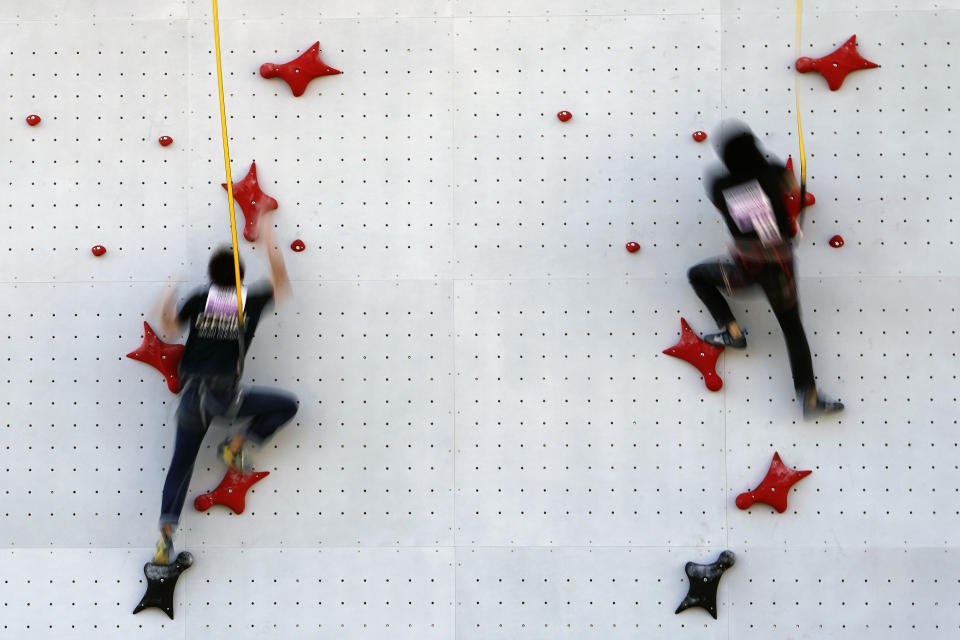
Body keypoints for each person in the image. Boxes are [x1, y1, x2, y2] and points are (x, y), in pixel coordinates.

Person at [152, 213, 297, 564]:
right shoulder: (246, 301)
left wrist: (168, 293)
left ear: (211, 277)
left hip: (190, 400)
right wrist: (267, 240)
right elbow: (281, 285)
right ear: (241, 277)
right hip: (224, 397)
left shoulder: (201, 299)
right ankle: (236, 446)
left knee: (180, 466)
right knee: (286, 405)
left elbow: (168, 328)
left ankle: (165, 535)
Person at [687, 122, 843, 418]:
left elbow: (731, 211)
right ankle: (808, 397)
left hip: (746, 269)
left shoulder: (718, 184)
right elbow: (792, 188)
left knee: (697, 276)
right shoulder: (772, 172)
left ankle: (731, 330)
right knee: (792, 330)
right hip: (780, 269)